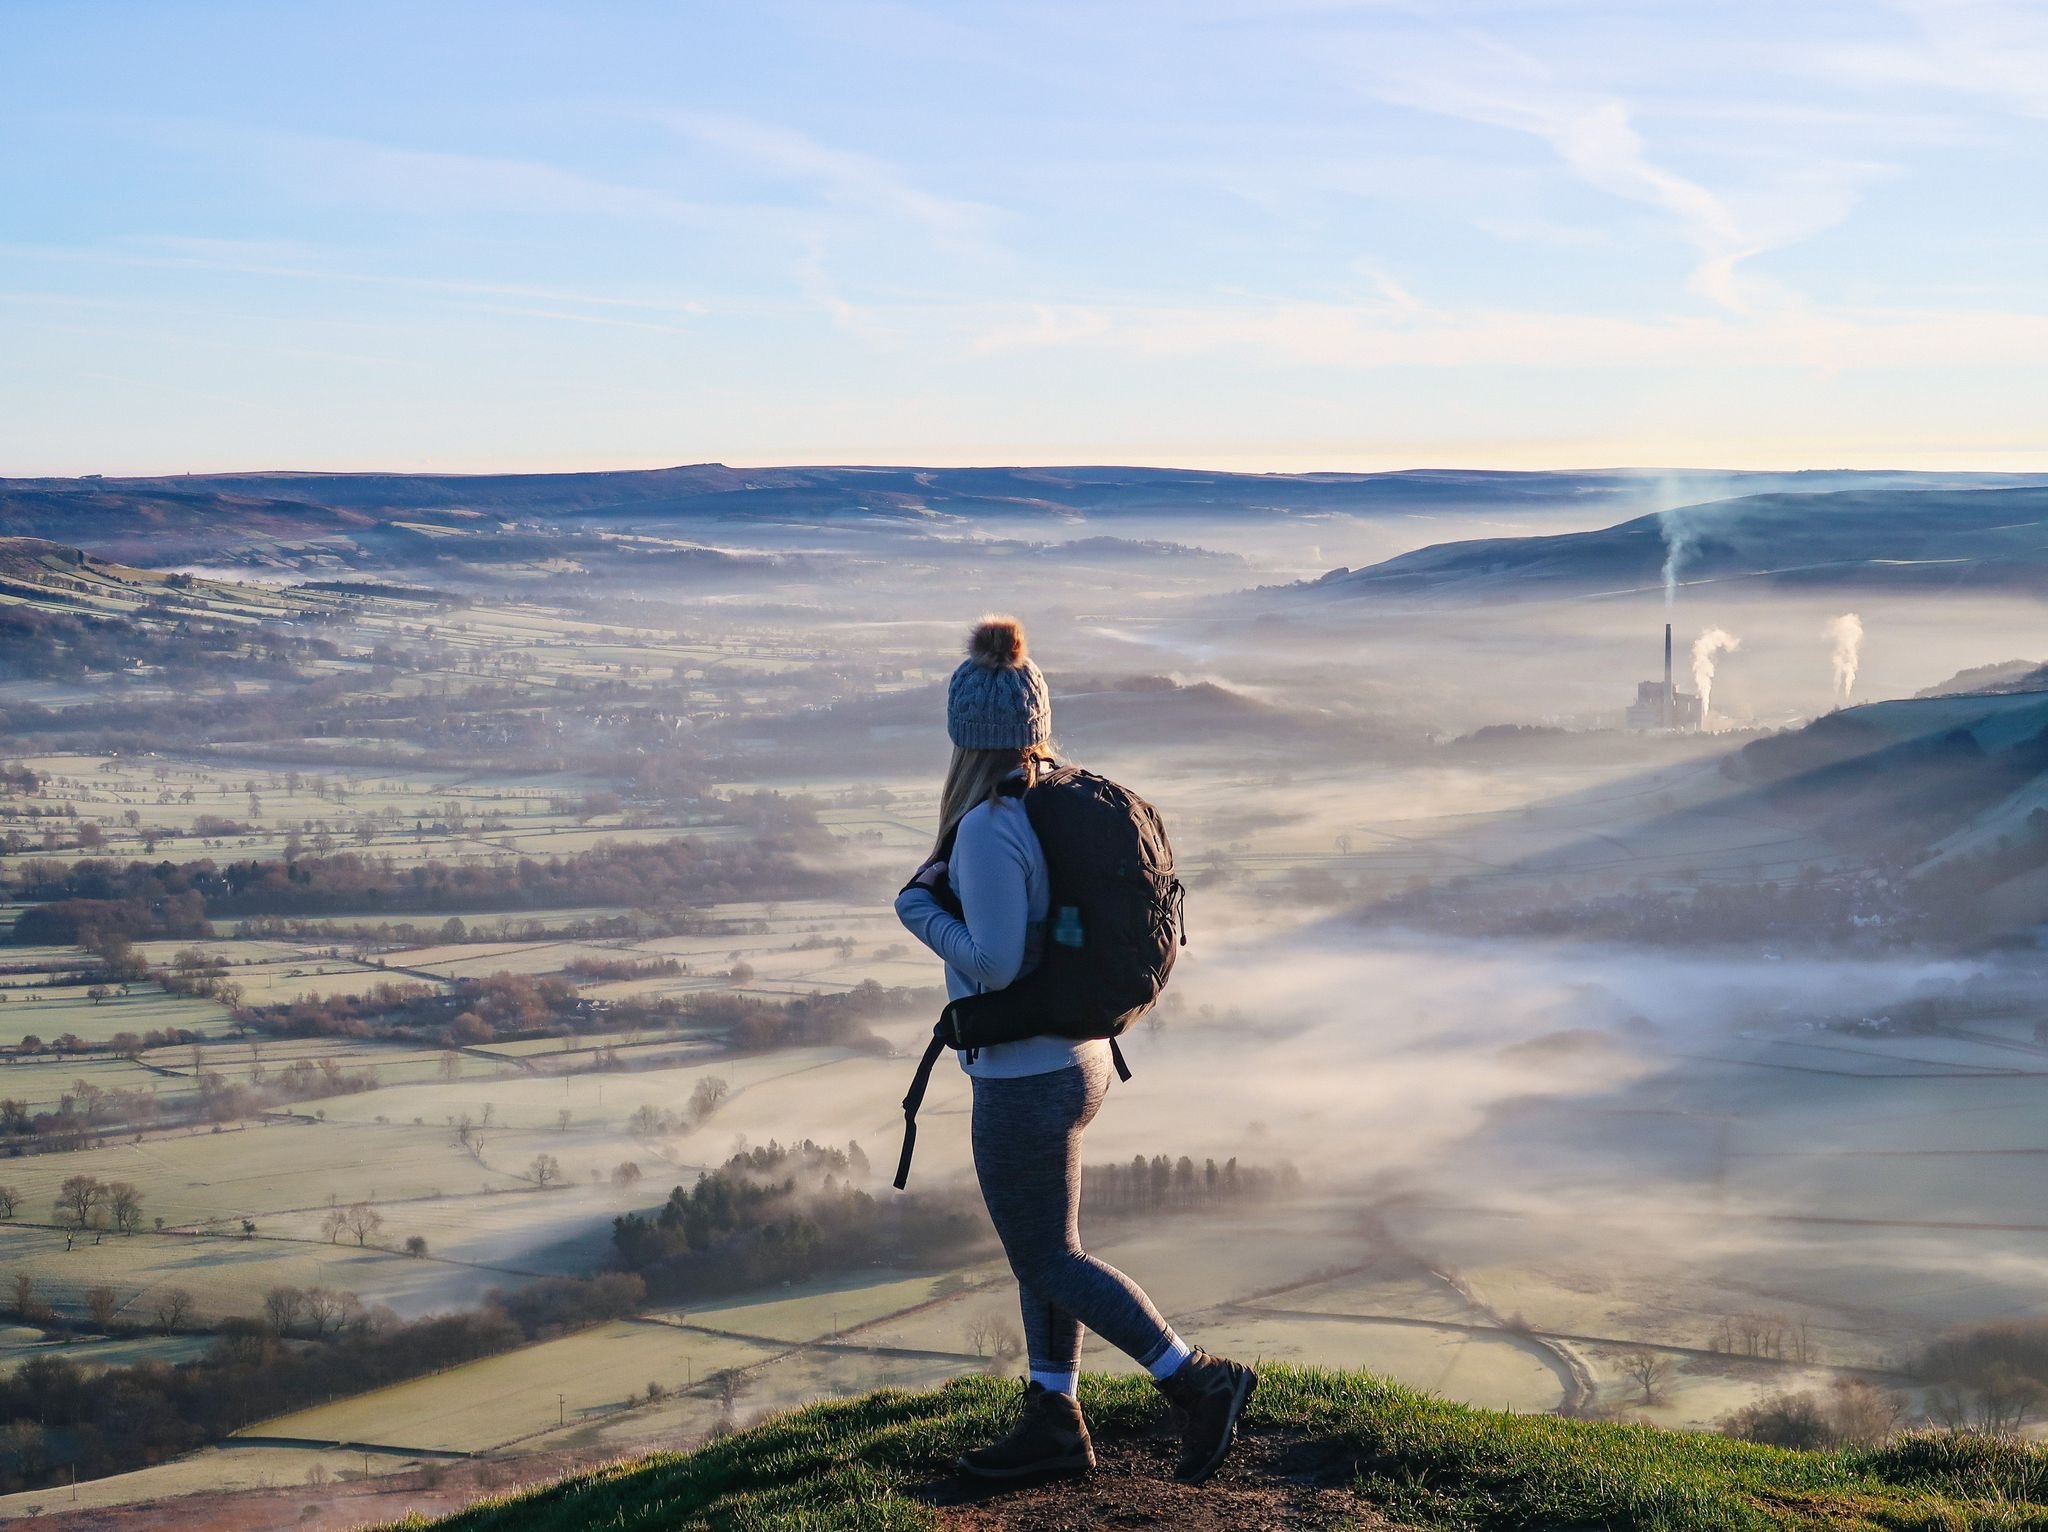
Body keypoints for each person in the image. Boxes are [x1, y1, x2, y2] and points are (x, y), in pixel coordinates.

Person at [895, 615, 1256, 1485]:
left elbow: (995, 963)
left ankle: (1197, 1380)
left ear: (964, 735)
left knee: (1049, 1256)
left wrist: (916, 909)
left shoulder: (987, 826)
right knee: (1044, 1250)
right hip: (1082, 1056)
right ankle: (1055, 1419)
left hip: (1024, 1077)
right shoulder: (1059, 792)